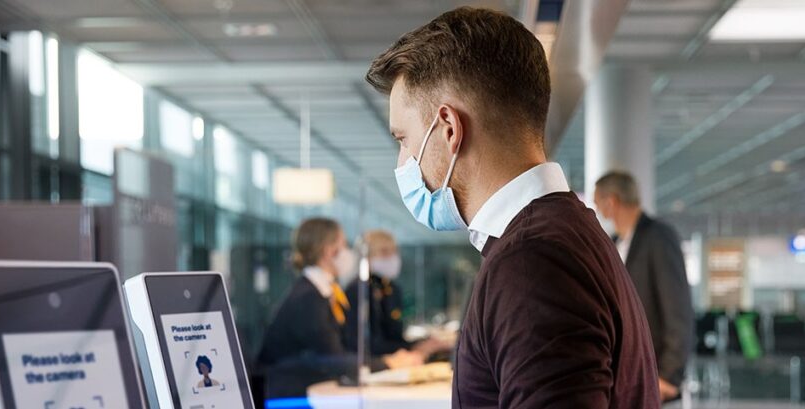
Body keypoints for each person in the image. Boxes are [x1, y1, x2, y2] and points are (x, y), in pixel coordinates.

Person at [366, 7, 660, 408]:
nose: (403, 161)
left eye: (403, 138)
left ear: (449, 129)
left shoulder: (532, 260)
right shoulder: (568, 229)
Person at [258, 218, 423, 398]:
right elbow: (331, 358)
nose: (349, 253)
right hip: (288, 395)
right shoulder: (308, 297)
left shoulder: (324, 292)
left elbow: (343, 349)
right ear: (329, 251)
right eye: (344, 245)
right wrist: (387, 363)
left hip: (308, 389)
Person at [593, 171, 694, 403]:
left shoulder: (659, 237)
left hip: (654, 374)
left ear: (612, 201)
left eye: (598, 202)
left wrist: (670, 375)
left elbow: (678, 308)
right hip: (622, 379)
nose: (597, 210)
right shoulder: (614, 242)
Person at [343, 229, 449, 356]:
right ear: (366, 256)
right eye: (384, 252)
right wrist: (413, 347)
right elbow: (367, 345)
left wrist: (424, 343)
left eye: (394, 251)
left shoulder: (392, 289)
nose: (391, 257)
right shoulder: (358, 291)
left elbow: (394, 338)